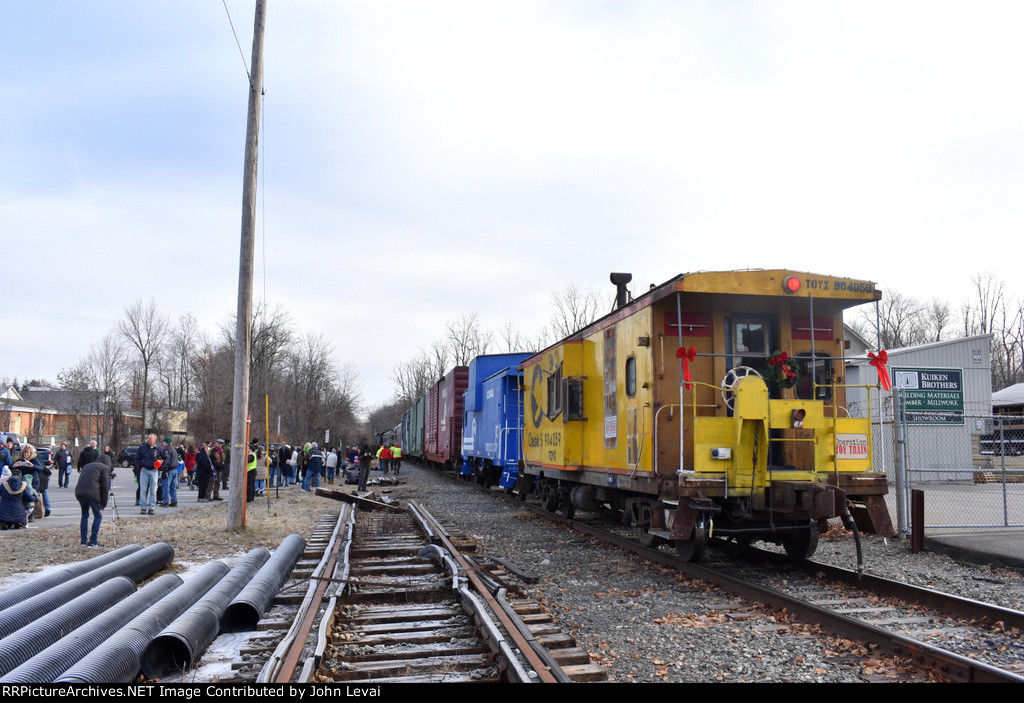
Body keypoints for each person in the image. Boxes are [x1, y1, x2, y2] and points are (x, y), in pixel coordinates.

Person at [75, 454, 112, 547]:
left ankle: (83, 541)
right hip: (92, 494)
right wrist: (102, 506)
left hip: (80, 492)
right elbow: (105, 488)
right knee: (98, 516)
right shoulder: (105, 468)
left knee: (84, 515)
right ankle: (93, 542)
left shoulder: (87, 465)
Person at [135, 434, 161, 515]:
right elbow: (136, 458)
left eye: (150, 438)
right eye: (148, 438)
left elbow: (165, 458)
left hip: (154, 471)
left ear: (155, 440)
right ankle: (143, 508)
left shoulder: (159, 449)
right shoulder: (142, 448)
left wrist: (160, 466)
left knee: (153, 490)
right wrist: (140, 466)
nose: (149, 439)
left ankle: (151, 508)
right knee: (143, 490)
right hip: (144, 470)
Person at [158, 437, 179, 508]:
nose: (162, 443)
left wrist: (162, 468)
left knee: (165, 486)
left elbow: (167, 460)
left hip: (168, 470)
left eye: (163, 442)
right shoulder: (173, 449)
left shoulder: (167, 450)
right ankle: (174, 501)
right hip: (174, 469)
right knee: (173, 487)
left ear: (166, 442)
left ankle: (165, 501)